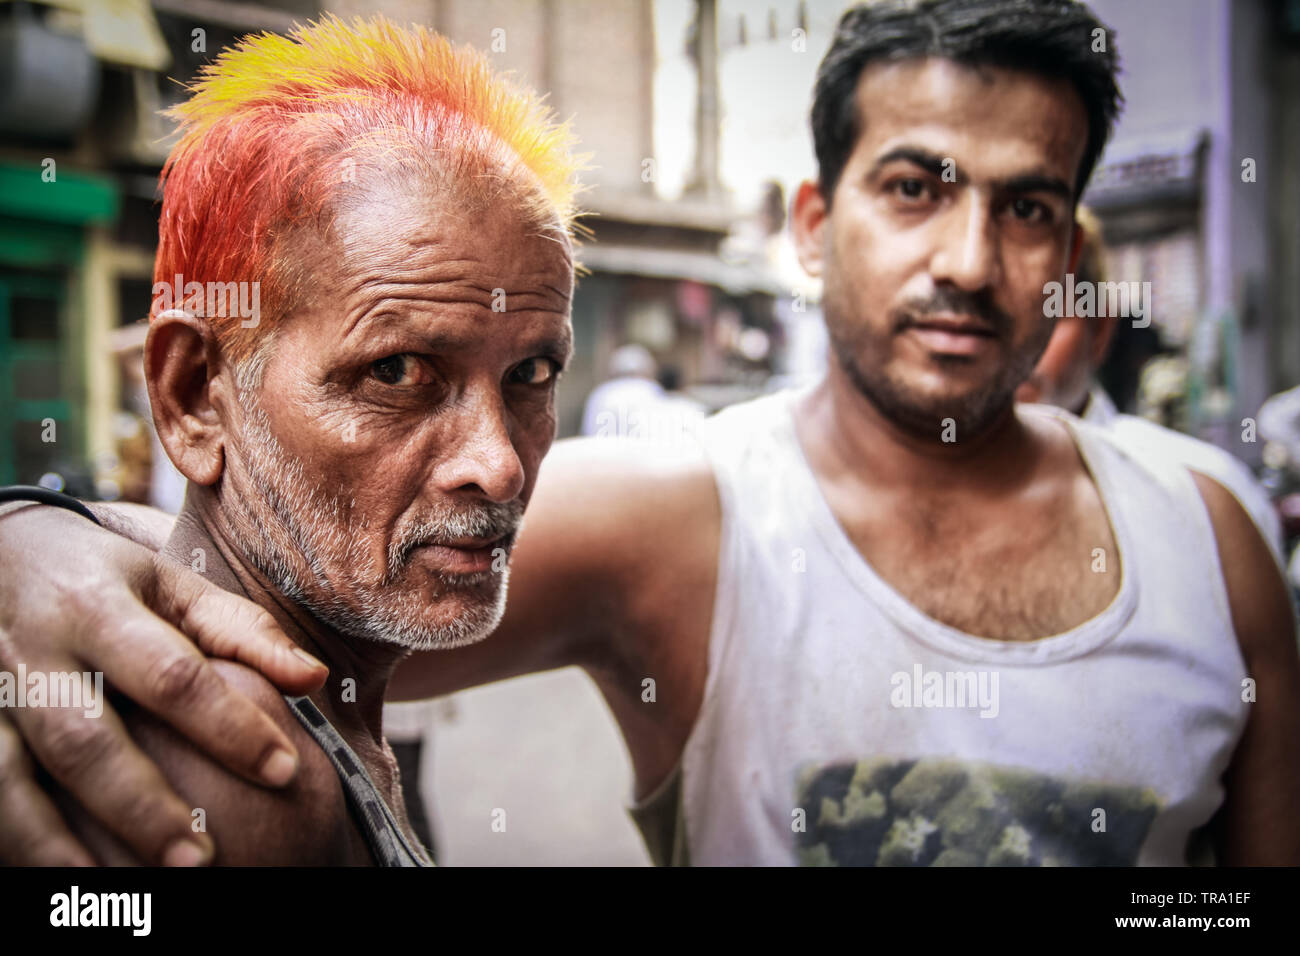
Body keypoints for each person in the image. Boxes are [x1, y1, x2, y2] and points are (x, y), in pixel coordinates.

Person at [2, 0, 1297, 867]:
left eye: (1026, 208)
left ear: (1072, 247)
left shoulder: (1208, 535)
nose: (966, 259)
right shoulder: (680, 517)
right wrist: (29, 543)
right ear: (807, 221)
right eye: (914, 187)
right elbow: (287, 561)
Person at [0, 14, 582, 865]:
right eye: (396, 372)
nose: (498, 466)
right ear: (195, 395)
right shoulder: (233, 768)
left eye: (530, 374)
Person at [1016, 209, 1283, 560]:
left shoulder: (1204, 500)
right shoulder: (938, 488)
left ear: (1099, 329)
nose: (1019, 347)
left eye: (1048, 316)